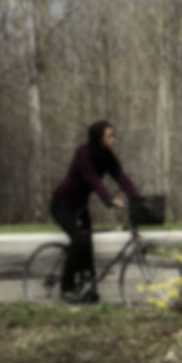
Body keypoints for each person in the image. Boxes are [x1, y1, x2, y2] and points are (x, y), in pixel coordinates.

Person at [50, 120, 140, 303]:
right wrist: (109, 200)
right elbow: (92, 179)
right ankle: (66, 288)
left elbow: (121, 177)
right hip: (62, 205)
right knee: (79, 240)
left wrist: (138, 199)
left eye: (113, 135)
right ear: (98, 138)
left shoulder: (107, 156)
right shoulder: (83, 153)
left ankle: (88, 287)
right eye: (109, 136)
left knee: (88, 242)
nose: (113, 139)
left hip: (80, 206)